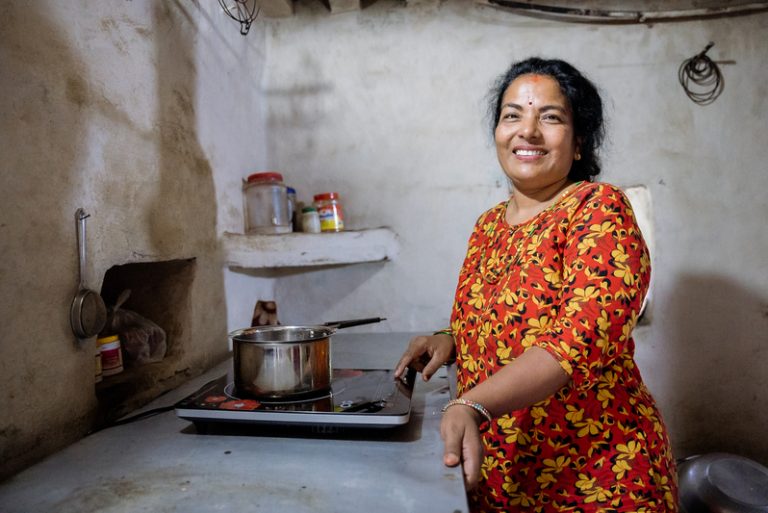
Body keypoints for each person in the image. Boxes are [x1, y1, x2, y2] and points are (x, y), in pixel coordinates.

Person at [394, 57, 678, 512]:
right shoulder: (488, 226)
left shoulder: (598, 209)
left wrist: (468, 405)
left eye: (550, 117)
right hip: (505, 475)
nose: (527, 131)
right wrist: (449, 339)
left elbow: (575, 342)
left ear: (579, 142)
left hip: (597, 477)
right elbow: (498, 322)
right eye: (512, 115)